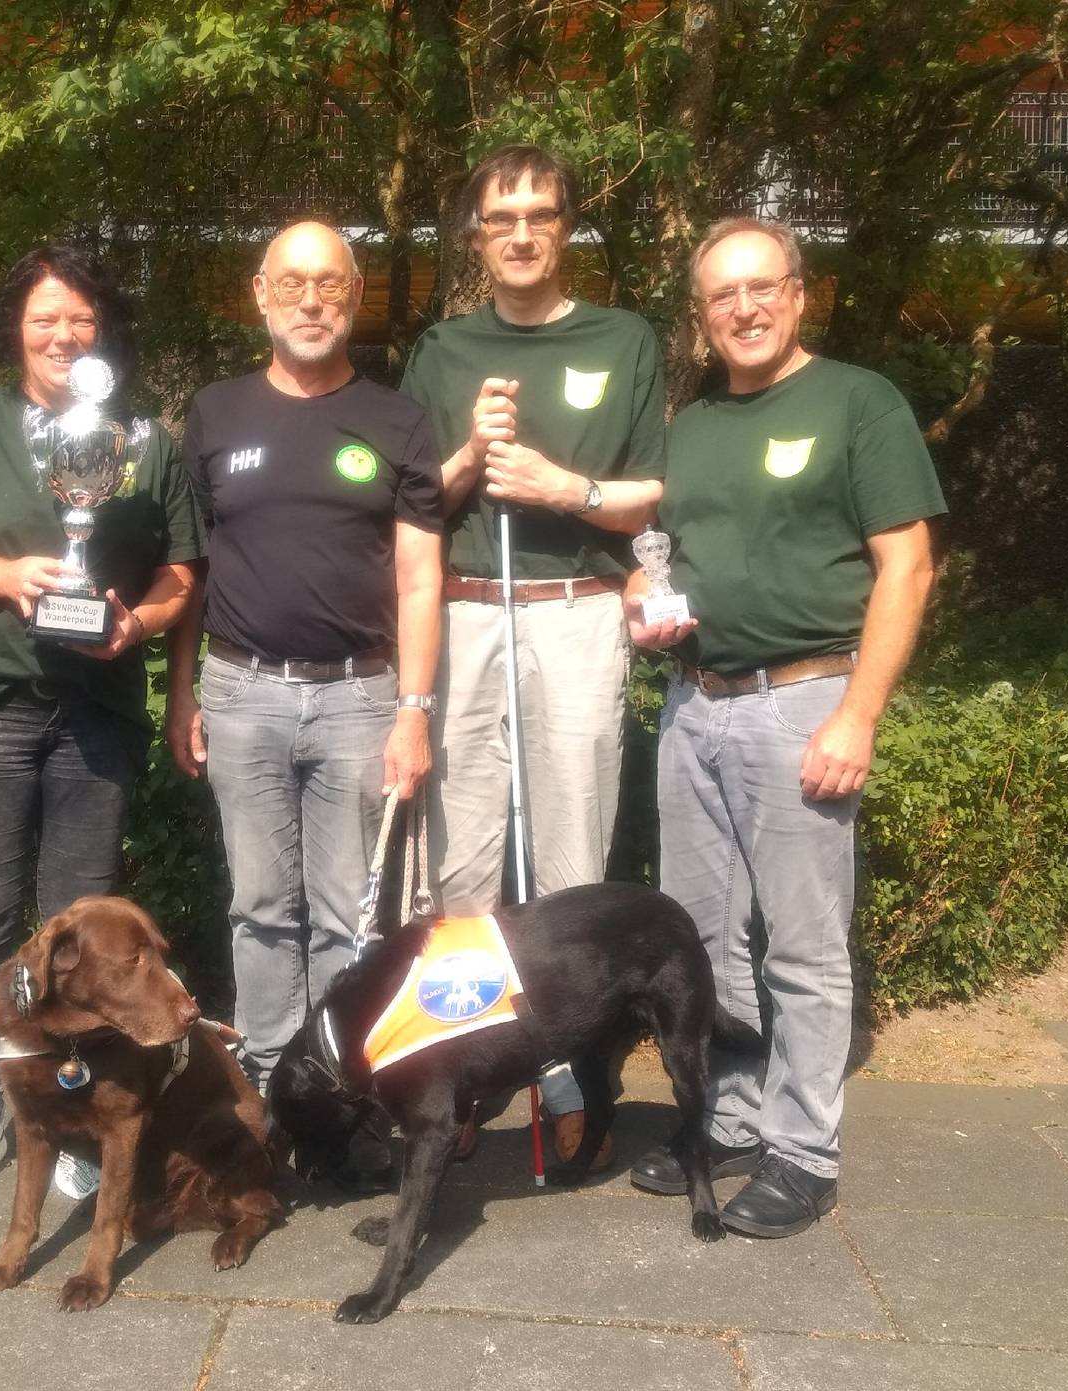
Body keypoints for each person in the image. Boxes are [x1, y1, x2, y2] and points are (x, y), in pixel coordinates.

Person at [622, 215, 944, 1238]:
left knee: (802, 945)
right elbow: (661, 558)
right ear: (702, 315)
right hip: (694, 706)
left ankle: (804, 1150)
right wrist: (643, 600)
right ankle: (728, 1119)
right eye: (724, 294)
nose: (746, 308)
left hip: (806, 699)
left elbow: (908, 566)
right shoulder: (692, 426)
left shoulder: (858, 401)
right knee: (700, 939)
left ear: (801, 294)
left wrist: (859, 714)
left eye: (764, 286)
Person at [0, 245, 204, 1209]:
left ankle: (73, 1111)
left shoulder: (142, 439)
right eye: (44, 317)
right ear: (15, 328)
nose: (64, 333)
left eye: (81, 318)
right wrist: (4, 575)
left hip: (98, 714)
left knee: (88, 933)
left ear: (104, 330)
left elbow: (182, 572)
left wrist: (138, 623)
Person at [399, 144, 667, 1165]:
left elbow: (650, 495)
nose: (520, 233)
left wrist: (562, 487)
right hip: (467, 609)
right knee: (460, 863)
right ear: (476, 236)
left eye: (540, 215)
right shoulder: (443, 349)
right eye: (501, 217)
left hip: (575, 610)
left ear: (565, 227)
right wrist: (472, 453)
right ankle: (462, 1069)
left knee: (570, 860)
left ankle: (570, 1068)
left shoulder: (623, 339)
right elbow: (412, 506)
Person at [165, 222, 445, 1132]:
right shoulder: (215, 413)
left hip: (362, 698)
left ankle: (338, 1091)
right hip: (240, 691)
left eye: (329, 283)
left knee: (346, 915)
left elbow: (420, 577)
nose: (311, 300)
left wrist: (414, 710)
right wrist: (181, 689)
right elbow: (191, 569)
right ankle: (268, 1097)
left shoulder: (399, 421)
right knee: (258, 907)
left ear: (356, 295)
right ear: (261, 294)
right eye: (292, 283)